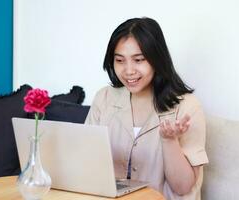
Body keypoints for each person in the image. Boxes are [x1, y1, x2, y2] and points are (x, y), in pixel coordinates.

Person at [85, 17, 208, 200]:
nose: (128, 71)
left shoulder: (187, 107)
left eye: (138, 60)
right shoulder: (104, 98)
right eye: (120, 60)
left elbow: (183, 187)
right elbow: (85, 161)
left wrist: (169, 141)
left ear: (156, 59)